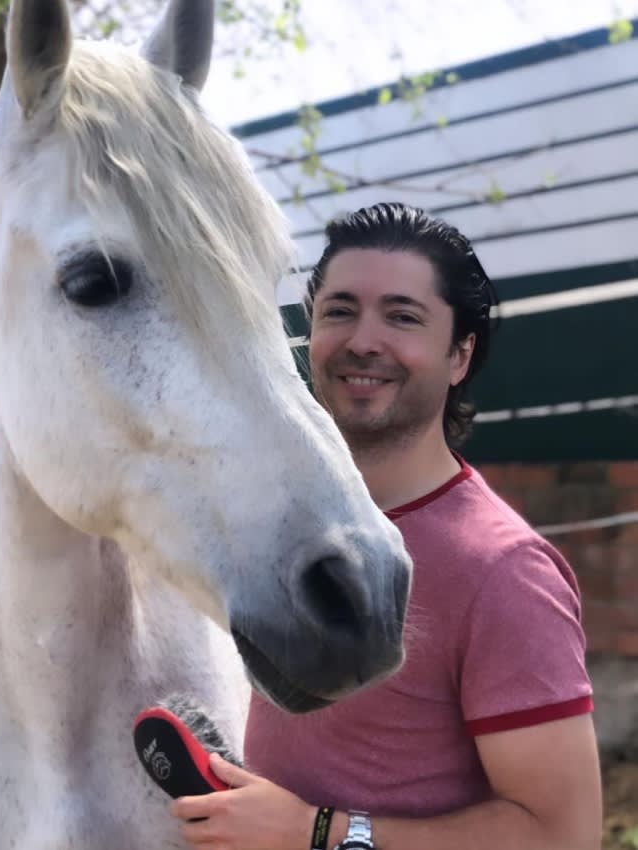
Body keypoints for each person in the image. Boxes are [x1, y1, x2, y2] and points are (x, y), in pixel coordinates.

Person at [171, 203, 602, 850]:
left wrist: (319, 834)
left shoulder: (503, 570)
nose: (362, 341)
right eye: (339, 311)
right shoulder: (283, 524)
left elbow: (563, 835)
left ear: (460, 356)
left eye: (402, 316)